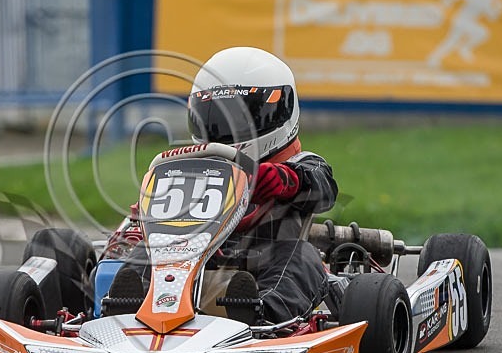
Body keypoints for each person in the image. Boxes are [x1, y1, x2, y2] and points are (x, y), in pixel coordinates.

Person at [109, 46, 338, 325]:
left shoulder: (301, 164)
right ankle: (121, 307)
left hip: (261, 269)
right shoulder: (191, 167)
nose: (225, 128)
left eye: (239, 116)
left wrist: (283, 180)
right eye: (215, 115)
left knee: (302, 256)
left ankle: (263, 316)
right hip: (188, 262)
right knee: (145, 250)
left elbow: (322, 187)